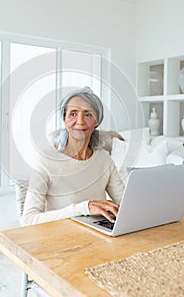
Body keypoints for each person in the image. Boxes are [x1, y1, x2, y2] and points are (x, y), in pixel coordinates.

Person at [22, 86, 125, 227]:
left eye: (88, 114)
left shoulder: (104, 159)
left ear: (97, 122)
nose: (80, 121)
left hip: (99, 235)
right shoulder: (45, 160)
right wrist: (85, 208)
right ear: (64, 119)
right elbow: (29, 220)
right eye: (73, 114)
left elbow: (125, 202)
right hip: (61, 236)